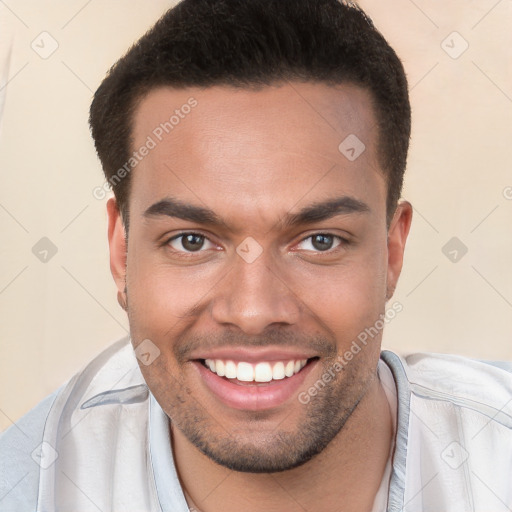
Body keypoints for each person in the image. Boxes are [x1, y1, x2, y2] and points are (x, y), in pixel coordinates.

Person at [1, 0, 511, 511]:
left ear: (392, 251)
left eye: (320, 241)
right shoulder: (31, 486)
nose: (253, 312)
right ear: (122, 252)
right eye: (191, 241)